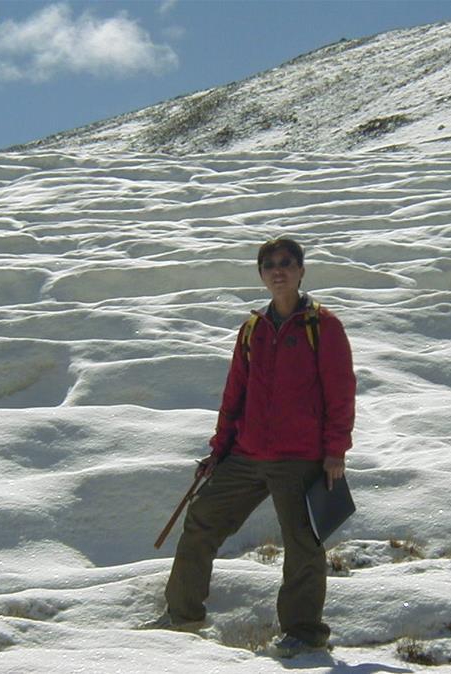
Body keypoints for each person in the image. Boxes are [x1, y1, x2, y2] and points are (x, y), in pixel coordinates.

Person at [143, 238, 357, 658]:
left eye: (287, 264)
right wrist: (220, 448)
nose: (278, 271)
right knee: (202, 518)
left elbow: (341, 390)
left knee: (302, 544)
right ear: (261, 274)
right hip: (246, 453)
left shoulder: (322, 326)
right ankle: (183, 615)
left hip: (299, 456)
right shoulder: (253, 329)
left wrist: (335, 450)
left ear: (301, 271)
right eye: (270, 265)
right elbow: (235, 393)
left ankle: (304, 634)